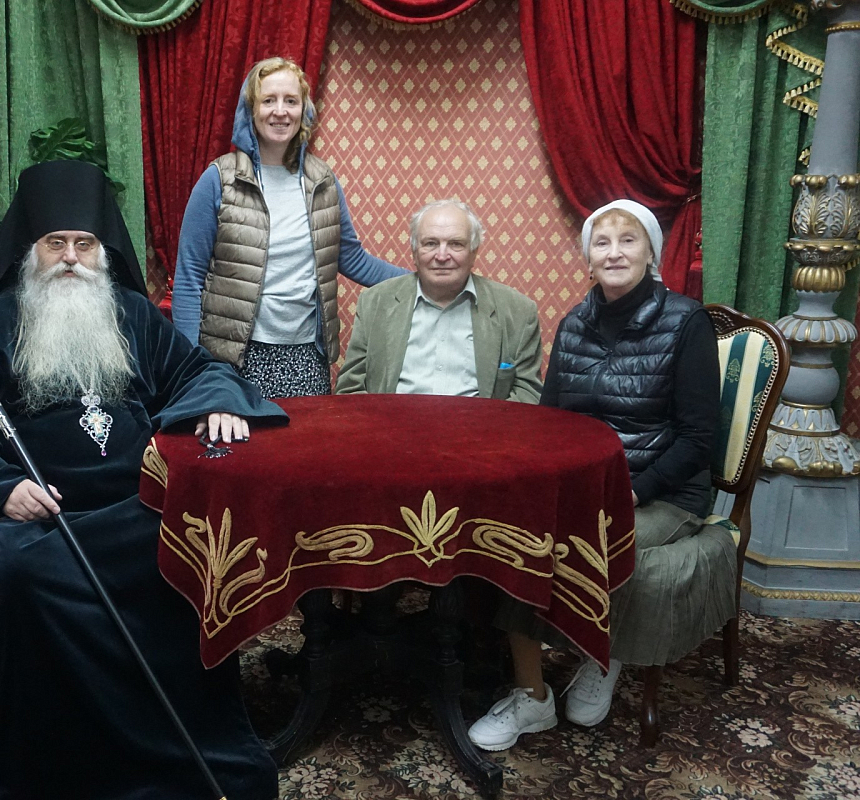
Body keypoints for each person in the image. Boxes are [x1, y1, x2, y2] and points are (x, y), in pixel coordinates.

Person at [0, 160, 287, 799]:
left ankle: (169, 732)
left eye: (84, 244)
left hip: (134, 507)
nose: (71, 258)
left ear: (102, 250)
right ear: (30, 250)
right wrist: (0, 490)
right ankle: (42, 748)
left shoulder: (132, 315)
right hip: (40, 521)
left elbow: (200, 370)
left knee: (190, 550)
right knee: (17, 576)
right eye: (56, 243)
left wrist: (217, 402)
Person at [467, 199, 729, 751]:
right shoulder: (574, 323)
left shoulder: (688, 323)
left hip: (663, 492)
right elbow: (552, 422)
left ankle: (600, 657)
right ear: (588, 259)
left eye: (628, 240)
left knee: (598, 542)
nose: (614, 253)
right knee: (519, 539)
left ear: (651, 253)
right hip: (589, 484)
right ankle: (532, 696)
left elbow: (697, 440)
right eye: (601, 242)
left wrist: (635, 489)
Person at [172, 56, 406, 398]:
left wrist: (423, 281)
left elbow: (352, 259)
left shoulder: (322, 181)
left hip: (307, 357)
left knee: (309, 436)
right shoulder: (219, 179)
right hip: (232, 358)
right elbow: (189, 278)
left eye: (291, 101)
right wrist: (194, 369)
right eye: (268, 100)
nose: (280, 111)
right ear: (251, 109)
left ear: (303, 110)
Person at [336, 199, 542, 400]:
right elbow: (350, 389)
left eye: (455, 244)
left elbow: (528, 393)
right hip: (391, 421)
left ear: (474, 252)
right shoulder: (375, 303)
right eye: (431, 244)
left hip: (479, 423)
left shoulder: (518, 312)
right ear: (414, 252)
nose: (442, 256)